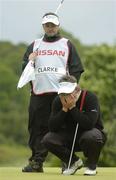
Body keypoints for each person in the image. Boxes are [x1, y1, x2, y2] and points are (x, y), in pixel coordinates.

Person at [22, 12, 84, 172]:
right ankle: (36, 162)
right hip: (38, 94)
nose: (50, 28)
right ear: (43, 26)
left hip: (61, 94)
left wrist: (70, 89)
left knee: (63, 128)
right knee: (37, 129)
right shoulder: (34, 45)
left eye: (53, 25)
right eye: (47, 25)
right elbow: (24, 70)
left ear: (58, 26)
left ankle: (67, 161)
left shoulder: (67, 44)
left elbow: (76, 69)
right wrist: (30, 61)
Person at [43, 75, 107, 175]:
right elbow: (52, 127)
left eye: (68, 93)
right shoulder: (58, 101)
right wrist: (64, 110)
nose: (65, 96)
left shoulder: (90, 97)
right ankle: (73, 162)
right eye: (63, 93)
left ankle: (91, 166)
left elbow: (89, 124)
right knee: (47, 139)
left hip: (92, 135)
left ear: (77, 89)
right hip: (70, 136)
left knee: (91, 136)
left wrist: (72, 108)